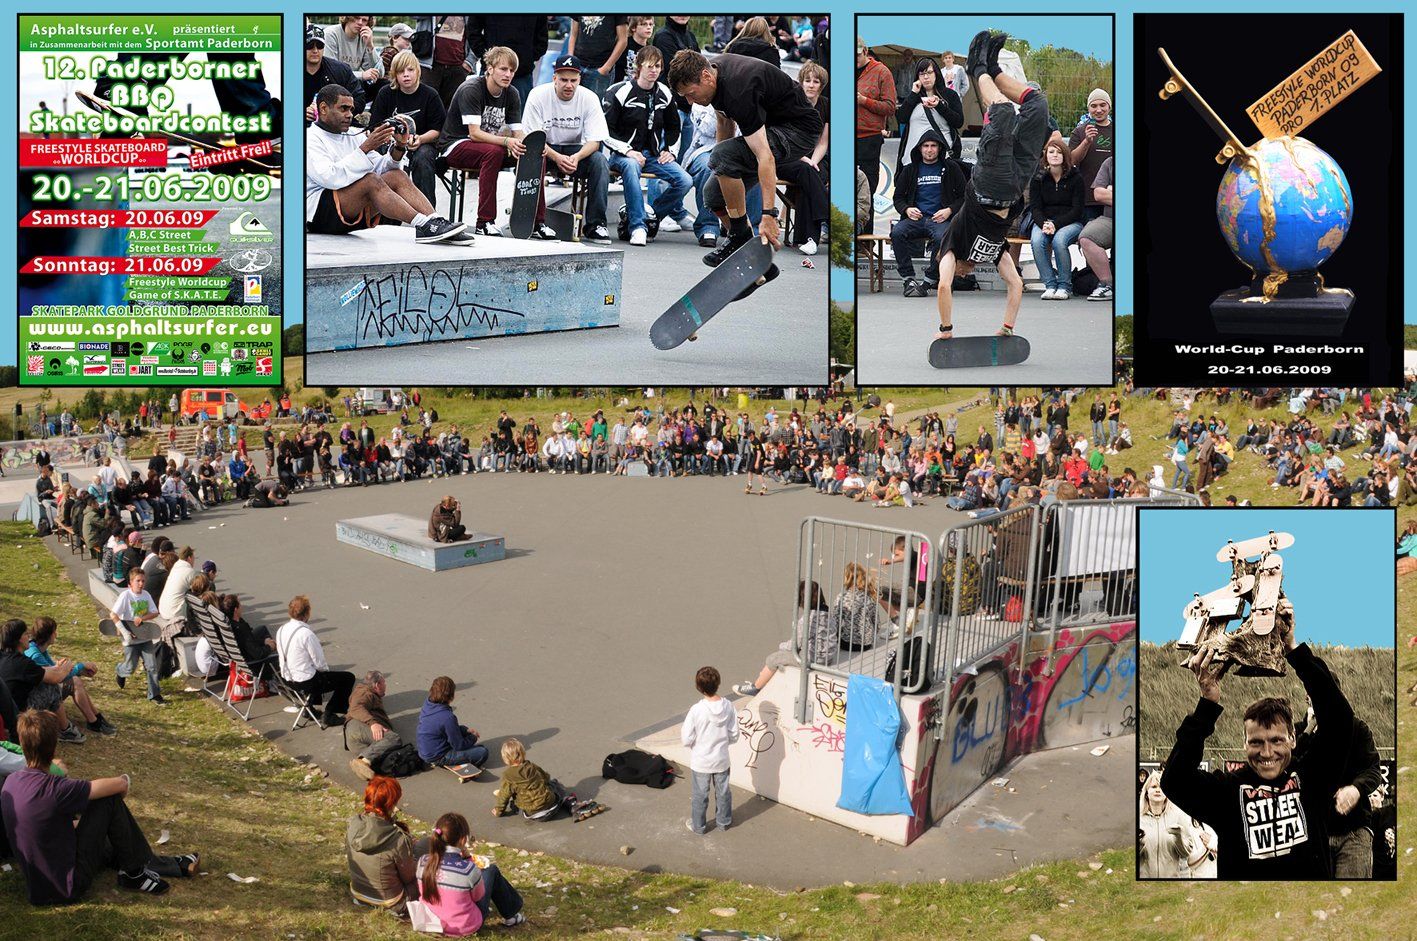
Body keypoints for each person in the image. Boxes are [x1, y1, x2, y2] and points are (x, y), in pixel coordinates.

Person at [1161, 601, 1353, 879]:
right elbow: (1174, 780)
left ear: (1293, 739)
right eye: (1256, 742)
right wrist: (1207, 704)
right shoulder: (1228, 791)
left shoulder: (1313, 777)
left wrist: (1293, 650)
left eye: (1276, 741)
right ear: (1244, 744)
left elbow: (1340, 718)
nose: (1267, 752)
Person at [1, 710, 200, 903]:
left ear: (22, 744)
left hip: (39, 883)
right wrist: (121, 786)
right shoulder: (57, 789)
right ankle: (135, 873)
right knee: (107, 801)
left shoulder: (11, 782)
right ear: (54, 748)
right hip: (66, 886)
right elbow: (119, 785)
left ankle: (158, 865)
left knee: (110, 839)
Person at [934, 32, 1050, 343]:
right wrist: (1008, 326)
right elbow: (1015, 284)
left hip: (988, 184)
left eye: (959, 273)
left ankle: (977, 68)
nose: (963, 274)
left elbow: (943, 286)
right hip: (1016, 184)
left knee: (1000, 111)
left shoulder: (951, 247)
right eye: (963, 276)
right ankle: (995, 70)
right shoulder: (991, 253)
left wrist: (946, 329)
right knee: (1037, 104)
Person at [669, 49, 823, 267]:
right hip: (774, 128)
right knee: (713, 194)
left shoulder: (739, 89)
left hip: (799, 131)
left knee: (723, 155)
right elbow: (724, 123)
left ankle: (739, 236)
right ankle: (752, 255)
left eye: (691, 94)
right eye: (685, 96)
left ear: (706, 77)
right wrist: (721, 170)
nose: (690, 100)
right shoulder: (712, 76)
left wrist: (768, 214)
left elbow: (765, 157)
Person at [306, 82, 468, 245]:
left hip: (347, 208)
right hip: (318, 215)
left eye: (351, 109)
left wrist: (399, 147)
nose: (349, 115)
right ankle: (423, 225)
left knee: (396, 175)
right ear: (324, 108)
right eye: (343, 109)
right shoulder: (308, 138)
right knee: (370, 180)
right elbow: (329, 178)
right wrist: (365, 148)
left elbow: (383, 168)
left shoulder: (354, 134)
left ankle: (436, 222)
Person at [440, 46, 555, 240]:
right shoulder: (472, 89)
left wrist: (532, 147)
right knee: (493, 152)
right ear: (490, 68)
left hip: (490, 147)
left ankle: (537, 222)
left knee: (532, 154)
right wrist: (507, 141)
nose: (508, 74)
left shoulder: (512, 94)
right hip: (455, 145)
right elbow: (474, 134)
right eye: (503, 69)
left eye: (511, 71)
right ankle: (484, 222)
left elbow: (518, 133)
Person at [602, 46, 691, 247]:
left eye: (658, 66)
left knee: (685, 180)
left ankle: (650, 215)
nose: (654, 70)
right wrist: (628, 151)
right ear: (638, 67)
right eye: (649, 65)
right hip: (622, 155)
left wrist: (670, 151)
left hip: (652, 154)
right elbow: (605, 131)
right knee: (632, 167)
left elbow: (674, 126)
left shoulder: (665, 93)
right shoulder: (619, 91)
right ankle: (637, 227)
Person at [522, 55, 613, 243]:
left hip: (575, 151)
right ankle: (533, 219)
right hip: (545, 149)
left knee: (600, 162)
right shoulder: (538, 95)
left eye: (573, 80)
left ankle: (596, 224)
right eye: (563, 80)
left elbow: (595, 141)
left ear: (580, 80)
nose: (569, 85)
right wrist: (557, 158)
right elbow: (533, 139)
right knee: (531, 156)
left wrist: (576, 157)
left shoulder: (589, 98)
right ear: (554, 78)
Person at [1293, 695, 1383, 878]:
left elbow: (1373, 769)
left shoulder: (1357, 728)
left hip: (1353, 831)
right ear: (1307, 701)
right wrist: (1309, 731)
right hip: (1312, 833)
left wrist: (1356, 788)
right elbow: (1291, 767)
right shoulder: (1299, 731)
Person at [417, 812, 526, 933]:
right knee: (491, 871)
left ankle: (511, 911)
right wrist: (468, 859)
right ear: (463, 840)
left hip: (430, 922)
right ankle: (511, 914)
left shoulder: (423, 861)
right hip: (463, 926)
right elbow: (478, 896)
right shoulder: (468, 869)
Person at [890, 130, 965, 294]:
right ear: (919, 148)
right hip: (916, 219)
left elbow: (964, 197)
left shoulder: (951, 167)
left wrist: (949, 210)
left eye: (933, 146)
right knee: (897, 232)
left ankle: (929, 279)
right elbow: (897, 198)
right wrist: (907, 209)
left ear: (939, 148)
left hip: (940, 220)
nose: (929, 150)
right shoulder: (910, 170)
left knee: (943, 237)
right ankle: (908, 278)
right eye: (925, 146)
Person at [369, 50, 446, 206]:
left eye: (410, 70)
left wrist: (420, 139)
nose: (406, 75)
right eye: (400, 71)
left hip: (422, 143)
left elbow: (438, 129)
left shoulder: (430, 95)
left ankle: (427, 212)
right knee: (386, 158)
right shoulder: (386, 93)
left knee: (423, 159)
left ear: (418, 71)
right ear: (394, 74)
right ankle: (388, 213)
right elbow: (375, 126)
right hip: (391, 142)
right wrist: (395, 140)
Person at [734, 581, 833, 696]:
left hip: (812, 658)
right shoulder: (827, 613)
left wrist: (782, 646)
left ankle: (755, 687)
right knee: (783, 656)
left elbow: (794, 644)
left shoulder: (807, 619)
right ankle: (763, 679)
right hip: (827, 655)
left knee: (773, 658)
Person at [23, 617, 116, 738]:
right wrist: (80, 667)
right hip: (34, 699)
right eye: (54, 632)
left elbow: (53, 668)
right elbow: (55, 677)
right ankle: (93, 721)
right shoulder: (34, 654)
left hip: (40, 691)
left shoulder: (38, 648)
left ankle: (96, 717)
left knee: (75, 680)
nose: (56, 634)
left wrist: (71, 669)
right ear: (48, 635)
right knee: (75, 682)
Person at [276, 595, 356, 728]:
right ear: (307, 613)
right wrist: (325, 673)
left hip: (286, 679)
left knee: (312, 672)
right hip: (305, 682)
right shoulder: (306, 634)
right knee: (347, 678)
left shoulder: (281, 629)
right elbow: (320, 663)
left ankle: (309, 709)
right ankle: (329, 714)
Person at [346, 775, 418, 915]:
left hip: (358, 893)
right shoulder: (398, 838)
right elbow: (408, 877)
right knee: (427, 863)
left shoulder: (353, 824)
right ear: (392, 803)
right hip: (393, 903)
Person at [681, 666, 737, 835]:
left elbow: (686, 738)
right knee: (723, 792)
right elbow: (734, 734)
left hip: (701, 761)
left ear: (699, 687)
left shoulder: (696, 710)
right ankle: (724, 821)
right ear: (718, 683)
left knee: (700, 794)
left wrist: (694, 746)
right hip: (721, 759)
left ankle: (698, 826)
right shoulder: (728, 707)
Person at [1030, 137, 1085, 300]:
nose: (1054, 155)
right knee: (1036, 240)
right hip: (1044, 221)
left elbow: (1077, 210)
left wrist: (1056, 224)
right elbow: (1035, 208)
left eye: (1059, 152)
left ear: (1065, 156)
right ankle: (1050, 284)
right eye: (1051, 152)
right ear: (1045, 155)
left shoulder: (1076, 178)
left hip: (1070, 222)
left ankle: (1064, 286)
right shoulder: (1038, 178)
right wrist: (1044, 224)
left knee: (1059, 241)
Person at [1138, 769, 1216, 878]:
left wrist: (1179, 837)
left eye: (1161, 787)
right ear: (1146, 793)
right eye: (1154, 787)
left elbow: (1185, 853)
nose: (1158, 790)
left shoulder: (1178, 816)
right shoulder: (1140, 819)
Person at [854, 38, 895, 229]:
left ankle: (864, 241)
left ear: (865, 51)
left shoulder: (882, 71)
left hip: (869, 138)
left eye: (857, 54)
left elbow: (890, 107)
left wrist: (864, 101)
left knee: (866, 190)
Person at [109, 569, 166, 705]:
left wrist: (143, 617)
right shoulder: (125, 596)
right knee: (130, 668)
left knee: (152, 666)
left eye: (143, 581)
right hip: (131, 639)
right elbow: (113, 615)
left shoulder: (146, 595)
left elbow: (154, 612)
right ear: (130, 583)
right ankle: (120, 671)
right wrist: (124, 632)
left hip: (145, 637)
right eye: (138, 581)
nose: (141, 584)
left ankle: (154, 695)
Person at [897, 57, 963, 169]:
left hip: (944, 157)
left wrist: (939, 106)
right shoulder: (913, 97)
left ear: (936, 74)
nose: (926, 77)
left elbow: (958, 122)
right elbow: (901, 118)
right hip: (913, 160)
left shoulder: (950, 95)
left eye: (929, 72)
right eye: (922, 74)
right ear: (917, 76)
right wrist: (913, 94)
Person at [491, 738, 577, 821]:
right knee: (554, 784)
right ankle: (565, 800)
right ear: (523, 753)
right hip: (552, 805)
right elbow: (546, 778)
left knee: (513, 804)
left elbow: (503, 796)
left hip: (534, 815)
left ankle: (520, 807)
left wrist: (498, 811)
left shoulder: (507, 776)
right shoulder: (531, 766)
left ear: (505, 758)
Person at [417, 676, 488, 770]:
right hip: (438, 756)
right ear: (451, 696)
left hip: (424, 750)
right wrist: (473, 737)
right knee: (482, 751)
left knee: (466, 739)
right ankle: (448, 762)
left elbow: (443, 727)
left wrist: (465, 730)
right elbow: (459, 745)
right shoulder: (447, 717)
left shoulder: (427, 704)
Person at [1068, 88, 1115, 221]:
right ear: (1088, 108)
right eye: (1094, 106)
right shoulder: (1080, 131)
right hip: (1087, 198)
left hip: (1112, 197)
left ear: (1109, 107)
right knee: (1089, 237)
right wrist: (1087, 141)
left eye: (1102, 105)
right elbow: (1071, 161)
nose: (1098, 110)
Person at [346, 671, 403, 781]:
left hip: (356, 741)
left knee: (384, 755)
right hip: (357, 727)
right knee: (393, 738)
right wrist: (373, 723)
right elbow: (356, 708)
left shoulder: (366, 691)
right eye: (384, 683)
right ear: (377, 685)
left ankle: (364, 765)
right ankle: (363, 761)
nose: (385, 686)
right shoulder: (364, 693)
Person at [1078, 154, 1114, 302]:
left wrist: (1111, 191)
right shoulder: (1111, 162)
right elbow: (1098, 194)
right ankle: (1107, 284)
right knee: (1086, 238)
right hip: (1110, 218)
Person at [567, 15, 627, 99]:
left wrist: (606, 68)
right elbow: (573, 34)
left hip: (600, 66)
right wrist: (571, 59)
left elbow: (623, 40)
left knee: (596, 106)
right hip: (577, 64)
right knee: (572, 103)